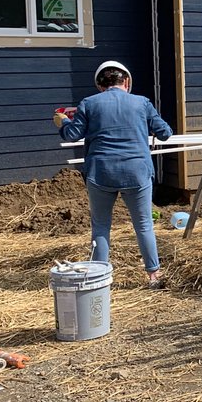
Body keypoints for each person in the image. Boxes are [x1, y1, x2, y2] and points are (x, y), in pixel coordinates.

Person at [57, 61, 173, 284]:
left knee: (101, 226)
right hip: (137, 172)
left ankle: (98, 279)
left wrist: (63, 122)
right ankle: (154, 275)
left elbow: (72, 135)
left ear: (100, 86)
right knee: (144, 225)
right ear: (126, 81)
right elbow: (165, 133)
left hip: (101, 172)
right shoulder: (142, 102)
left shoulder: (88, 103)